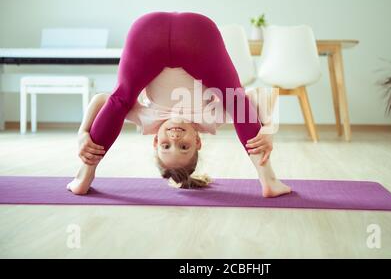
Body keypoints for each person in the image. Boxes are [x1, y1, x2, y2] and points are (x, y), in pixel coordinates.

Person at [67, 11, 291, 198]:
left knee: (120, 100)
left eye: (166, 146)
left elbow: (101, 100)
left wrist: (83, 131)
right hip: (198, 36)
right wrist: (268, 127)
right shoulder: (210, 120)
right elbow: (258, 95)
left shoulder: (147, 120)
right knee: (236, 99)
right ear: (198, 141)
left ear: (155, 140)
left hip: (147, 34)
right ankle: (268, 179)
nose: (174, 140)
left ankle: (84, 175)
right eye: (184, 147)